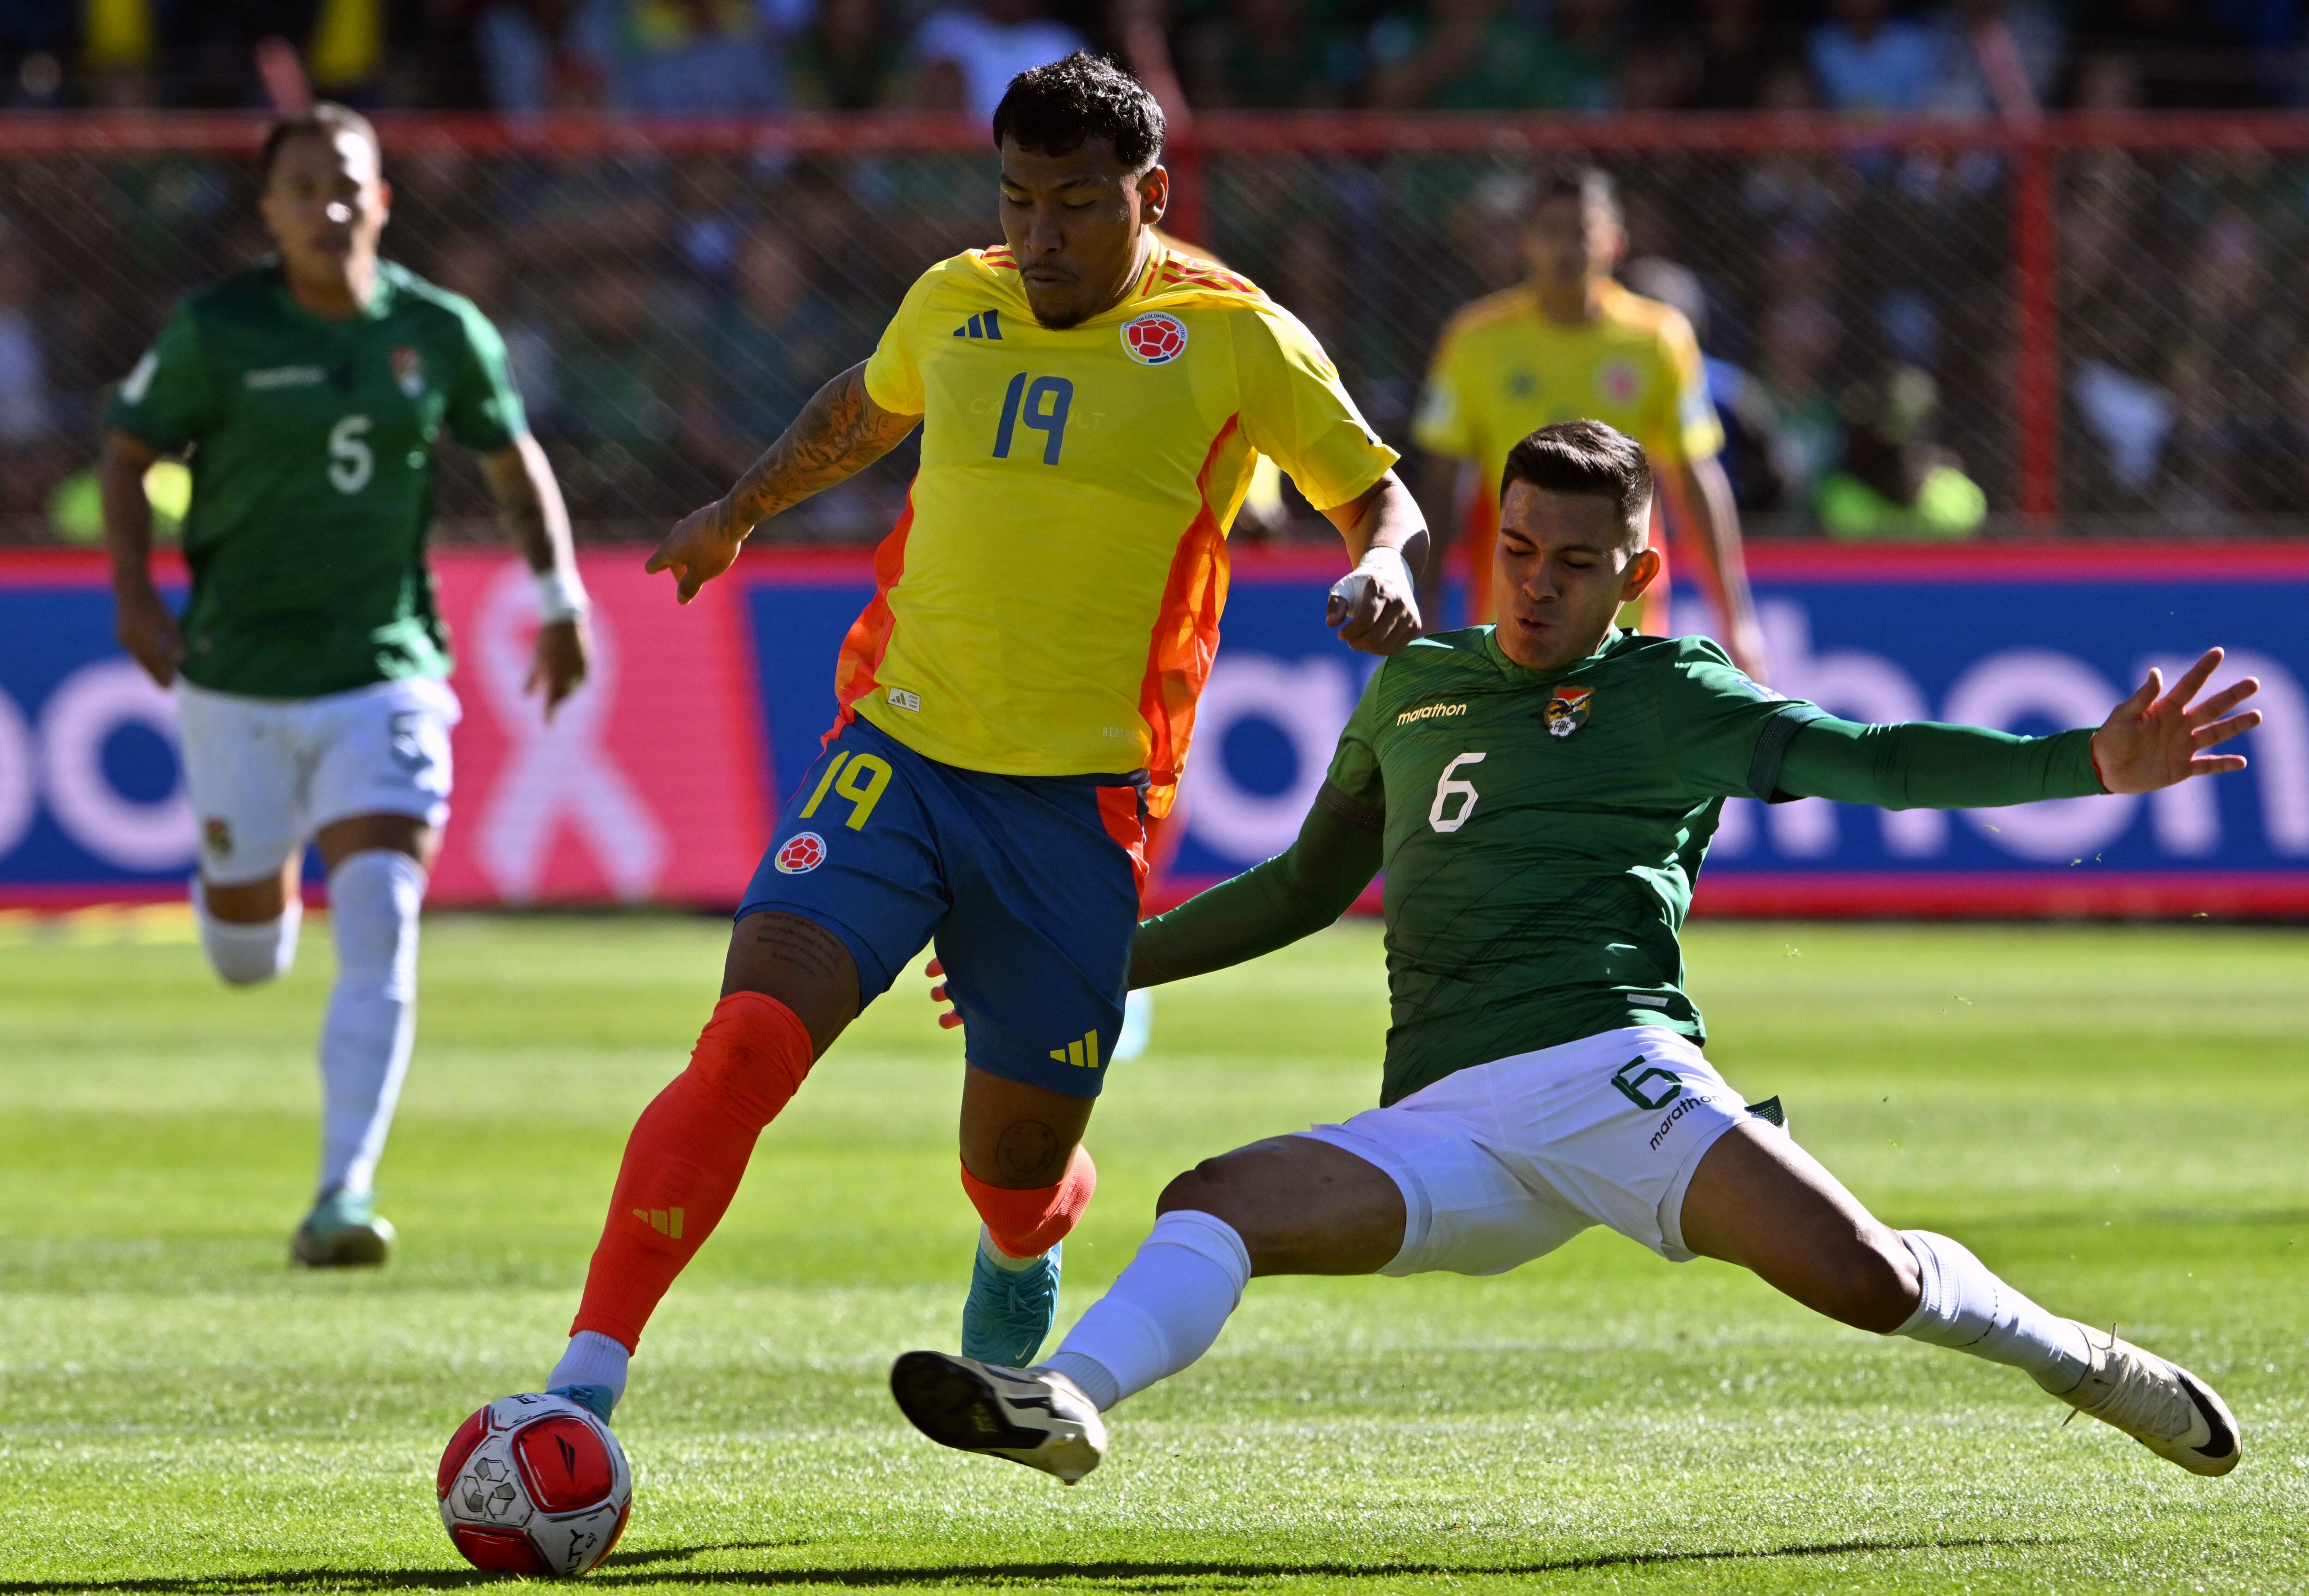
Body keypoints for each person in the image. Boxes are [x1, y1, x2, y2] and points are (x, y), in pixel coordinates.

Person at [888, 420, 2256, 1487]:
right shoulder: (1418, 684)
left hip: (1615, 1072)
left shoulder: (1674, 693)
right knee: (1215, 1197)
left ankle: (2082, 1363)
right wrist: (1102, 962)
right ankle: (1061, 1404)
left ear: (1636, 574)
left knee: (1867, 1283)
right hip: (1444, 1120)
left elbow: (1876, 760)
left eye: (1576, 562)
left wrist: (2082, 758)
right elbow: (1308, 883)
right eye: (1521, 551)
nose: (1539, 583)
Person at [526, 52, 1424, 1425]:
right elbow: (863, 404)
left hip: (1076, 813)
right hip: (897, 757)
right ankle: (580, 1387)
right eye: (1016, 200)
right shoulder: (957, 299)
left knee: (1009, 1173)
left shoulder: (1237, 338)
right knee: (746, 1044)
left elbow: (1376, 497)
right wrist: (738, 510)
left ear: (1152, 196)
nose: (1039, 235)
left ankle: (1027, 1240)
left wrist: (1388, 566)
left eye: (1074, 204)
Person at [102, 103, 591, 1267]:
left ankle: (342, 1193)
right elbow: (127, 453)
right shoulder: (215, 330)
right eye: (303, 186)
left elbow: (511, 454)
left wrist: (562, 596)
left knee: (381, 917)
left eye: (347, 185)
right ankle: (242, 880)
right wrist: (131, 596)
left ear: (381, 201)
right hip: (237, 679)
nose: (328, 205)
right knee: (246, 955)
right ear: (267, 210)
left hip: (386, 671)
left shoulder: (439, 329)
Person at [1413, 169, 1767, 680]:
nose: (1565, 248)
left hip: (1624, 621)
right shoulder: (1474, 341)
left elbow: (1694, 478)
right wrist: (1423, 601)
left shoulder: (1657, 340)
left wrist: (1737, 620)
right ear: (1525, 241)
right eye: (1550, 231)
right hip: (1510, 618)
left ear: (1614, 242)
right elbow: (1442, 482)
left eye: (1580, 231)